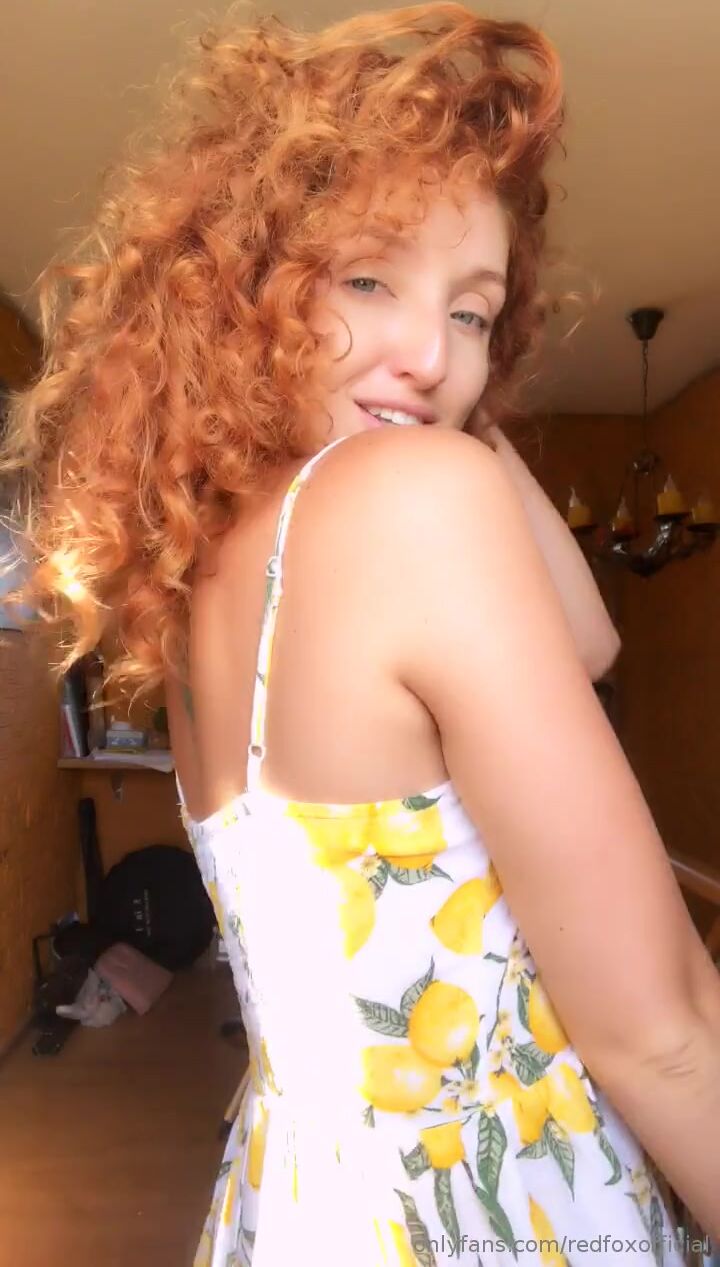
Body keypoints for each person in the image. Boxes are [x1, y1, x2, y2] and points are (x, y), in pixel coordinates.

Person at [2, 4, 718, 1264]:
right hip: (502, 1207)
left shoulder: (216, 569)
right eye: (369, 277)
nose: (430, 352)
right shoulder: (410, 508)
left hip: (310, 1200)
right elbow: (663, 1035)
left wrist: (435, 407)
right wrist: (432, 434)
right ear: (247, 295)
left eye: (472, 313)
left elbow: (588, 641)